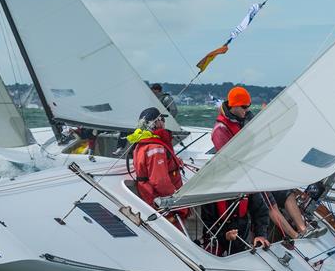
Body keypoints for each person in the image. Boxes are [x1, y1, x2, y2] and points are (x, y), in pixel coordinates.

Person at [208, 86, 308, 242]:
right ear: (234, 105)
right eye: (244, 107)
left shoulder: (244, 119)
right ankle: (296, 236)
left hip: (255, 168)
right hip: (242, 177)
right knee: (269, 202)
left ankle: (304, 229)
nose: (247, 110)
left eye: (248, 106)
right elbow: (229, 161)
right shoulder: (220, 130)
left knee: (286, 192)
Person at [130, 107, 184, 207]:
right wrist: (175, 202)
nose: (164, 123)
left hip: (150, 196)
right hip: (163, 202)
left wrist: (175, 162)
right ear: (157, 122)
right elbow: (160, 181)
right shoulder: (155, 149)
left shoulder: (141, 143)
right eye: (162, 120)